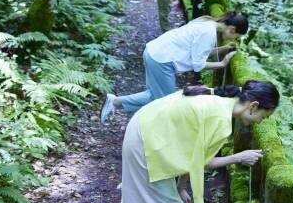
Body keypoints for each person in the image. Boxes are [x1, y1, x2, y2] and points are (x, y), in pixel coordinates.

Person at [120, 80, 280, 203]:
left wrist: (180, 187)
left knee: (149, 200)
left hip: (145, 126)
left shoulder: (221, 99)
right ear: (253, 106)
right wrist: (239, 157)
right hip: (144, 140)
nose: (260, 122)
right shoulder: (220, 119)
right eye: (264, 116)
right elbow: (202, 162)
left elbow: (193, 153)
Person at [100, 12, 249, 123]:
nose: (234, 39)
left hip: (156, 52)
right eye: (236, 37)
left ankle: (116, 102)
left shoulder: (207, 22)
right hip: (161, 60)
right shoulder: (208, 34)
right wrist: (221, 64)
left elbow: (197, 52)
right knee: (165, 102)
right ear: (232, 29)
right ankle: (142, 126)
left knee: (156, 96)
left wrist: (222, 49)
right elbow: (198, 65)